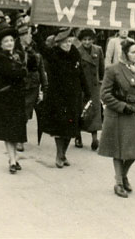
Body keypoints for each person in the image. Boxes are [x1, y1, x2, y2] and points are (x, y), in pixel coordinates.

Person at [99, 39, 135, 198]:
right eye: (133, 52)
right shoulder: (113, 70)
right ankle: (118, 183)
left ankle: (123, 176)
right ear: (124, 54)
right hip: (119, 115)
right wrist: (122, 106)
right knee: (119, 150)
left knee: (134, 151)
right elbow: (104, 94)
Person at [41, 28, 91, 168]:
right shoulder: (54, 54)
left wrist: (87, 91)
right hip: (58, 95)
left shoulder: (75, 53)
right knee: (60, 126)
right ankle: (59, 154)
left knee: (71, 126)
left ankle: (63, 153)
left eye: (69, 41)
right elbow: (41, 47)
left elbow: (81, 73)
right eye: (64, 42)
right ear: (58, 43)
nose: (67, 44)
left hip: (73, 95)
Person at [0, 27, 28, 173]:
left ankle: (14, 157)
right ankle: (12, 160)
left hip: (17, 96)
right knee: (7, 129)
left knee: (16, 129)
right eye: (6, 41)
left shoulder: (18, 55)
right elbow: (13, 73)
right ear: (1, 44)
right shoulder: (0, 58)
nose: (9, 43)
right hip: (5, 97)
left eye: (11, 40)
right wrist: (22, 71)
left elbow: (26, 70)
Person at [16, 19, 46, 152]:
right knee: (20, 111)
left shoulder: (35, 49)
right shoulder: (15, 50)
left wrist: (45, 86)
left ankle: (20, 138)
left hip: (33, 85)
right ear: (22, 36)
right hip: (19, 84)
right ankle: (19, 138)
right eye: (29, 34)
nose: (31, 36)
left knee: (26, 112)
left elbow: (41, 68)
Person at [75, 28, 105, 151]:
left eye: (89, 39)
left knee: (95, 113)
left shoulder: (98, 50)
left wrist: (102, 82)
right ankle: (78, 136)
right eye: (84, 40)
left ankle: (94, 138)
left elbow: (102, 68)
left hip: (94, 86)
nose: (87, 42)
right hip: (82, 87)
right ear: (81, 40)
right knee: (81, 112)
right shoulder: (77, 51)